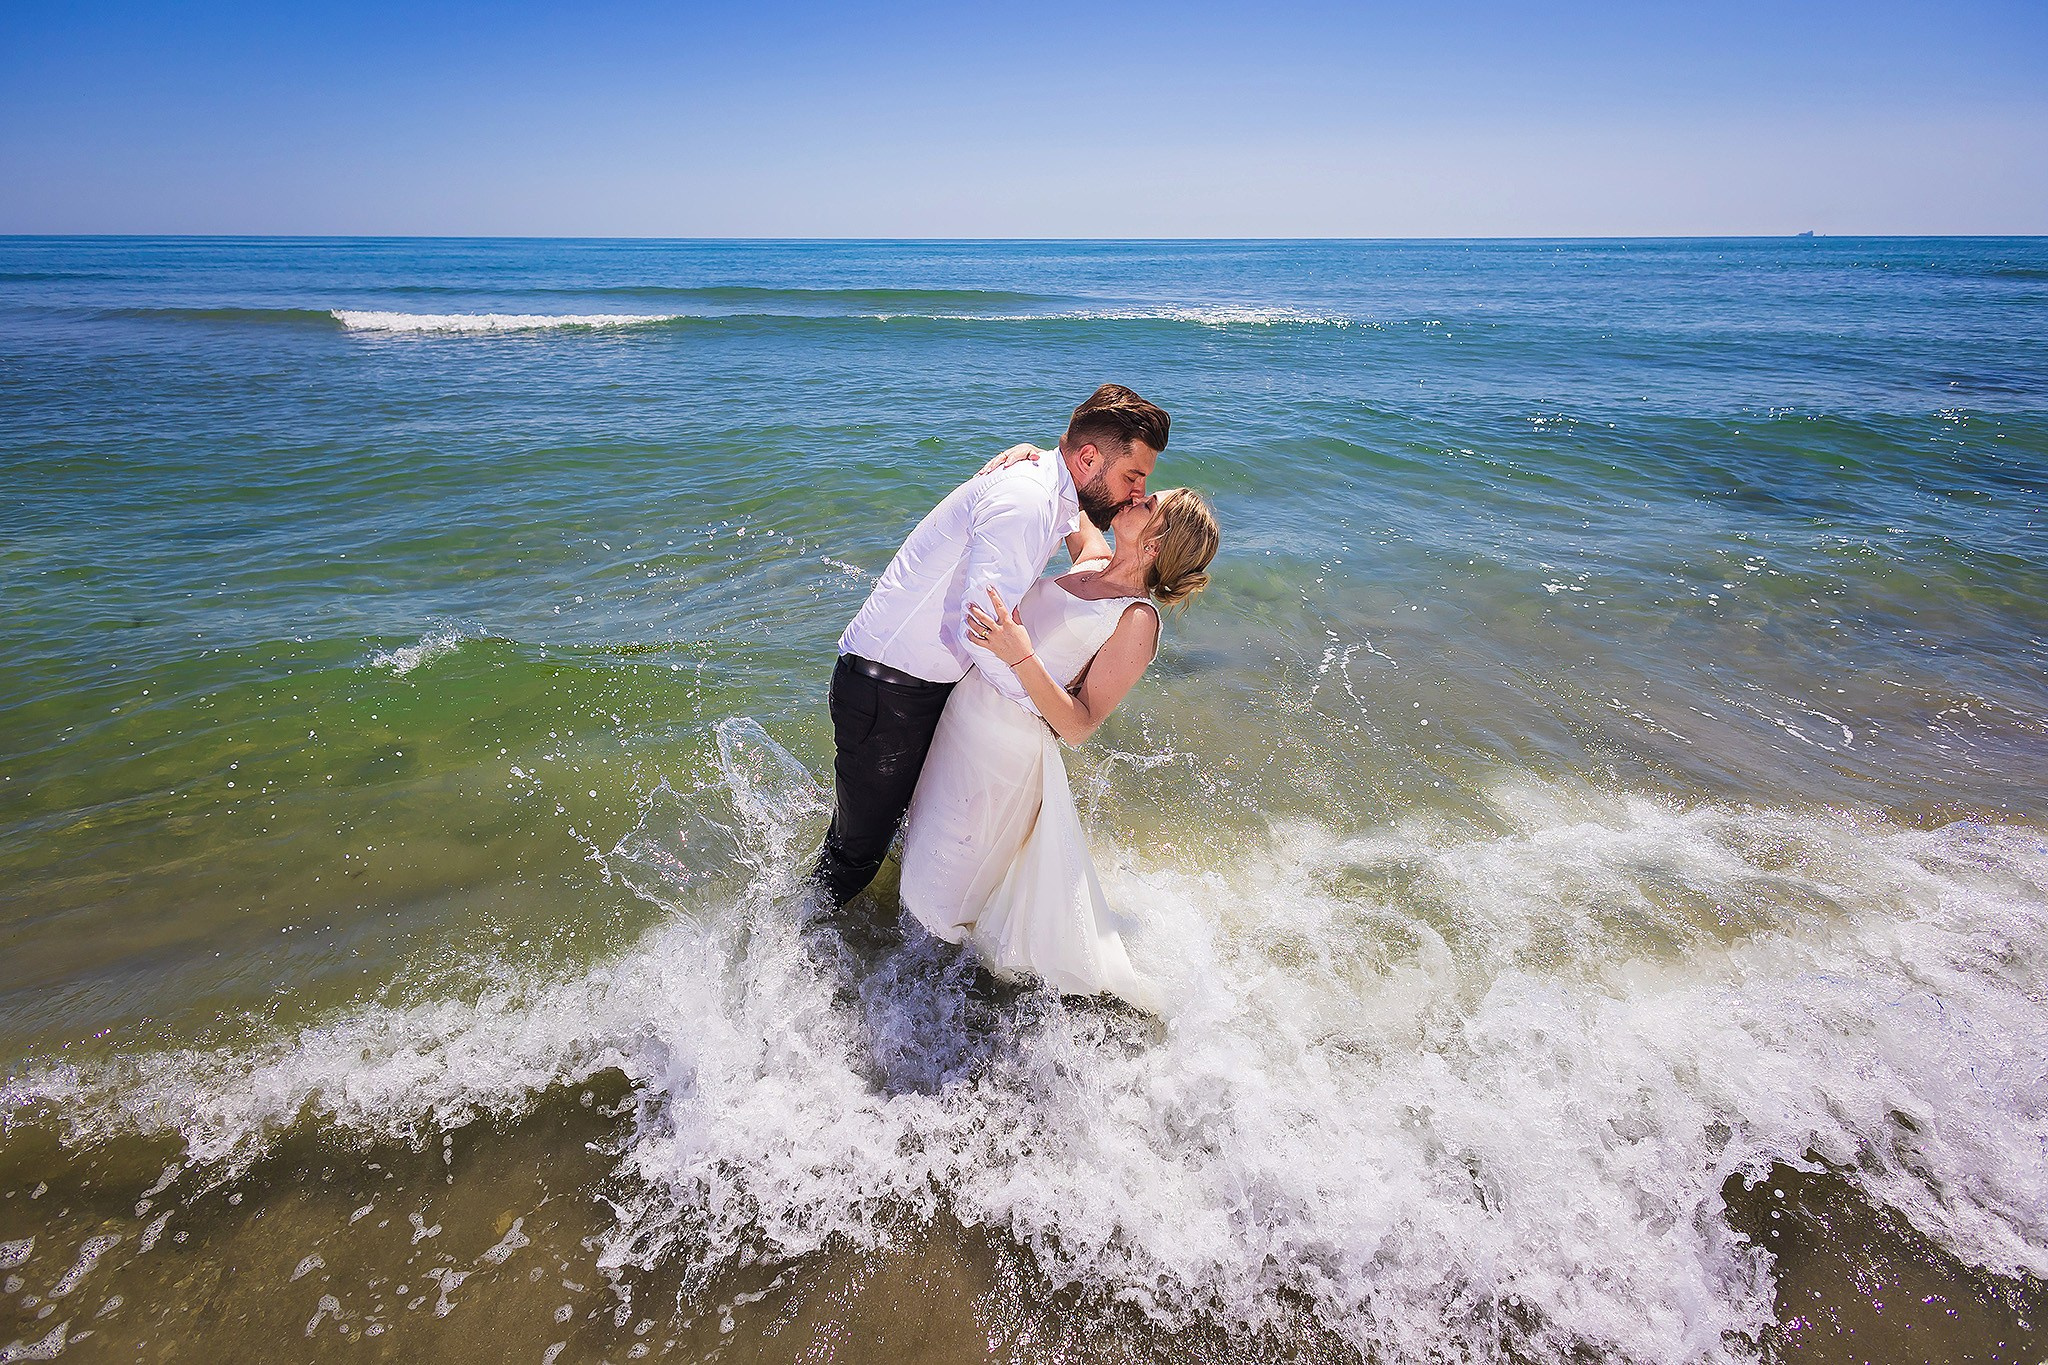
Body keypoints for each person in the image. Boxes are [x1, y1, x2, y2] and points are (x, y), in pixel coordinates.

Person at [811, 384, 1170, 924]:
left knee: (898, 828)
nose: (1138, 492)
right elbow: (984, 629)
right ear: (1090, 457)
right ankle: (790, 958)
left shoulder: (1054, 494)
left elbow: (1085, 532)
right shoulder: (1028, 501)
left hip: (920, 687)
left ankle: (867, 934)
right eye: (1132, 476)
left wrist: (1045, 451)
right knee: (856, 854)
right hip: (890, 688)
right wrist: (1049, 713)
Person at [898, 486, 1220, 1011]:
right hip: (963, 715)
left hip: (1005, 756)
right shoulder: (1092, 558)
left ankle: (943, 1010)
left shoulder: (1137, 620)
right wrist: (1025, 454)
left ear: (1157, 542)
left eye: (1148, 502)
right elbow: (1065, 485)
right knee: (920, 843)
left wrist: (1020, 655)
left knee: (948, 887)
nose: (1135, 495)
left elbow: (1080, 724)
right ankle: (901, 959)